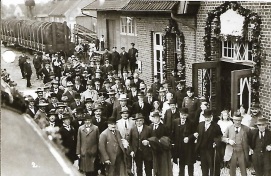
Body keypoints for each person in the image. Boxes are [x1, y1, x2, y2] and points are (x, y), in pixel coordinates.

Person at [194, 109, 222, 176]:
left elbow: (220, 136)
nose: (207, 119)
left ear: (211, 117)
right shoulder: (200, 125)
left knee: (212, 166)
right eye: (206, 117)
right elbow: (197, 133)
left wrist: (216, 142)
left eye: (208, 117)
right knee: (204, 167)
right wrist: (196, 136)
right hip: (202, 149)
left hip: (211, 150)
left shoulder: (216, 126)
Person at [222, 112, 251, 176]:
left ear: (241, 120)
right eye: (236, 120)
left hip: (242, 151)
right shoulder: (229, 128)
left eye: (239, 120)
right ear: (233, 120)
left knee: (243, 169)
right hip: (232, 151)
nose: (237, 122)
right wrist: (228, 140)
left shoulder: (246, 129)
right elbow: (223, 137)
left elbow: (251, 139)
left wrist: (250, 148)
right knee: (232, 169)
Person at [171, 108, 196, 176]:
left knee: (190, 164)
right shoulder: (175, 122)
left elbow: (195, 134)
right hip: (180, 147)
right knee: (181, 165)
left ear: (187, 115)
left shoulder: (191, 123)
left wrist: (189, 138)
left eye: (185, 115)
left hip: (189, 148)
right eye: (182, 114)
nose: (183, 117)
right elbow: (173, 134)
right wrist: (173, 144)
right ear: (179, 113)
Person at [116, 107, 135, 176]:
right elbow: (117, 134)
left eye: (126, 113)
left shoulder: (132, 122)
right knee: (122, 158)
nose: (125, 115)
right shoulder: (117, 123)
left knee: (129, 157)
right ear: (121, 114)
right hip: (121, 143)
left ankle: (129, 171)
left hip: (130, 143)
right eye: (123, 113)